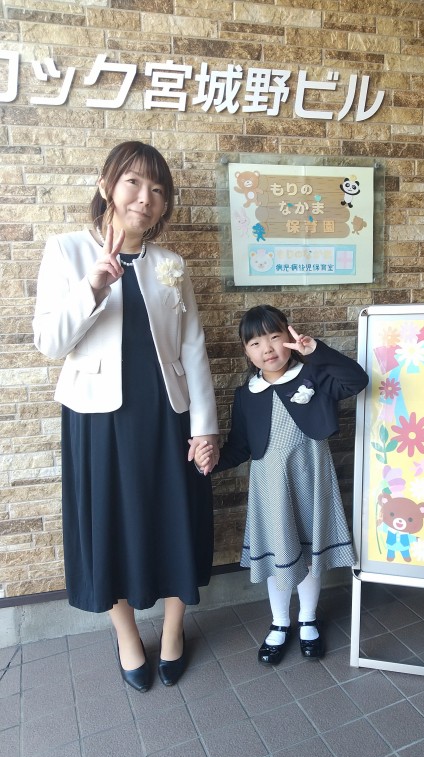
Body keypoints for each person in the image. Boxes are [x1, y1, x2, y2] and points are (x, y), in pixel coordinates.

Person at [32, 141, 219, 692]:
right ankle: (128, 637)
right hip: (98, 419)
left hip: (167, 415)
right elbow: (50, 342)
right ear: (106, 186)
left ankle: (174, 630)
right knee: (109, 522)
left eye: (158, 189)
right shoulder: (67, 251)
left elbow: (193, 347)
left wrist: (205, 425)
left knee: (178, 517)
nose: (145, 197)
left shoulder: (171, 265)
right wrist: (94, 285)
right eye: (134, 182)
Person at [194, 305, 368, 664]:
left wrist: (315, 351)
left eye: (275, 337)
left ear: (290, 337)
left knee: (309, 554)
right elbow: (240, 446)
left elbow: (356, 381)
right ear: (246, 351)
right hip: (270, 487)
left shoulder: (314, 375)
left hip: (311, 479)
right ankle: (279, 622)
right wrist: (209, 462)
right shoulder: (247, 394)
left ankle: (308, 619)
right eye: (255, 343)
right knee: (279, 553)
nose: (267, 348)